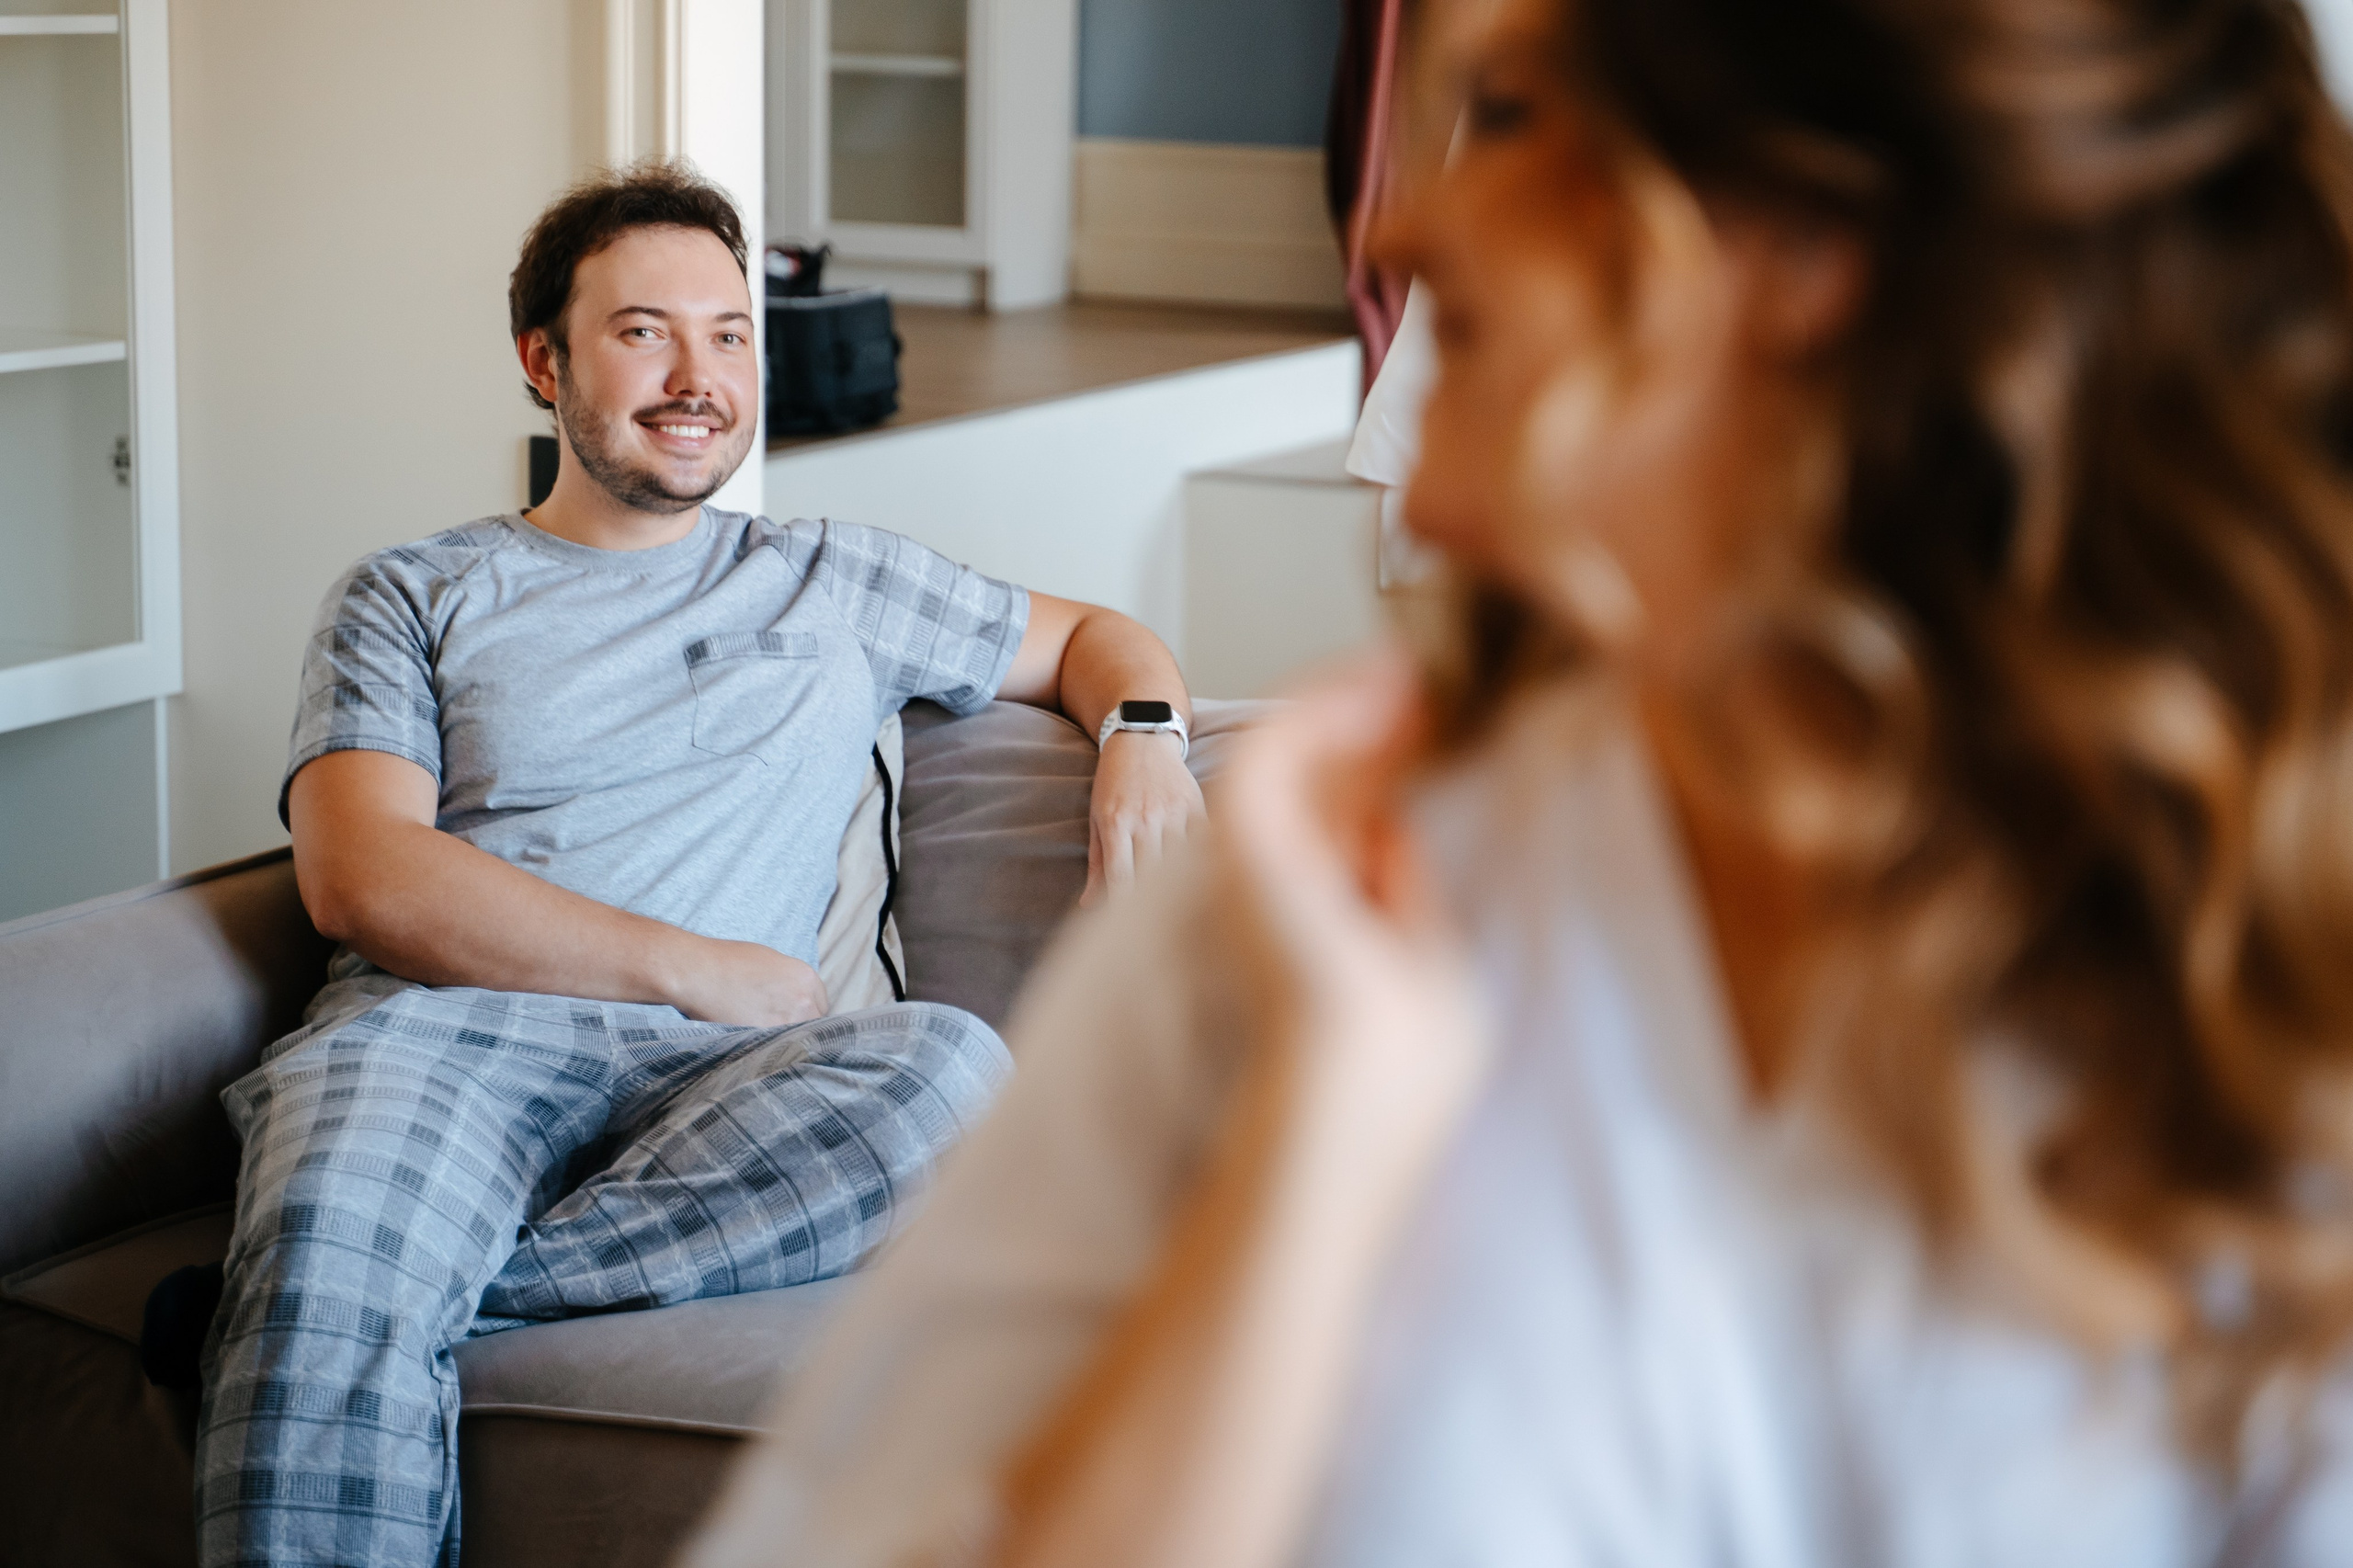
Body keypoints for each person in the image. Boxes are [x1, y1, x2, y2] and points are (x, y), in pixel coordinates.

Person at [682, 0, 2353, 1562]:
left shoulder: (2278, 984)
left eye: (1520, 118)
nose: (1403, 229)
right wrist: (1314, 1144)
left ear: (1808, 237)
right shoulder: (1307, 915)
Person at [188, 162, 1203, 1568]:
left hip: (728, 1087)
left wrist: (1146, 732)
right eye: (643, 330)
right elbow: (363, 876)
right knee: (355, 1203)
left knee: (951, 1071)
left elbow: (1099, 638)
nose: (699, 375)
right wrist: (692, 966)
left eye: (731, 334)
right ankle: (340, 1277)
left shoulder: (831, 577)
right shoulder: (411, 589)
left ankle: (352, 1290)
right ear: (543, 359)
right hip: (442, 1041)